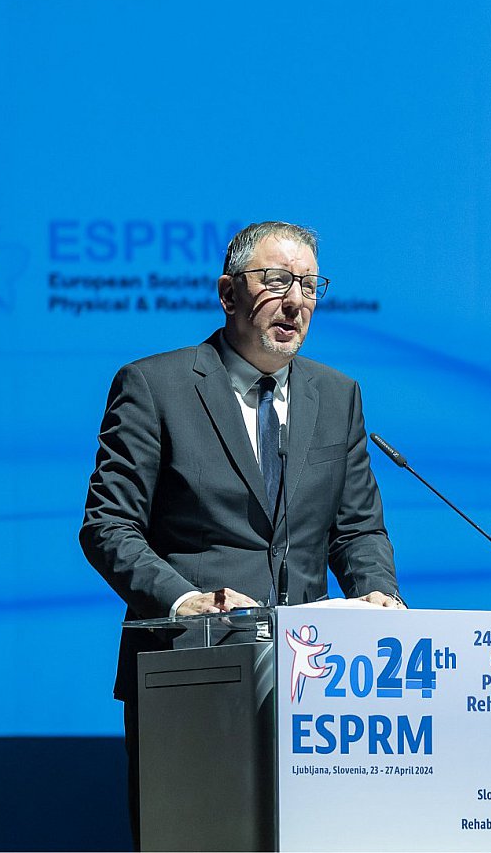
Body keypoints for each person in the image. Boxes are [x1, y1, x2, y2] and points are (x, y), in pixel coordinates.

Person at [79, 220, 402, 846]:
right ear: (228, 294)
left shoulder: (338, 396)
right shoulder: (156, 386)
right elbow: (108, 525)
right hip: (191, 673)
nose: (295, 301)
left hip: (316, 685)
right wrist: (184, 601)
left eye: (309, 285)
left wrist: (379, 595)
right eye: (276, 281)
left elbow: (357, 529)